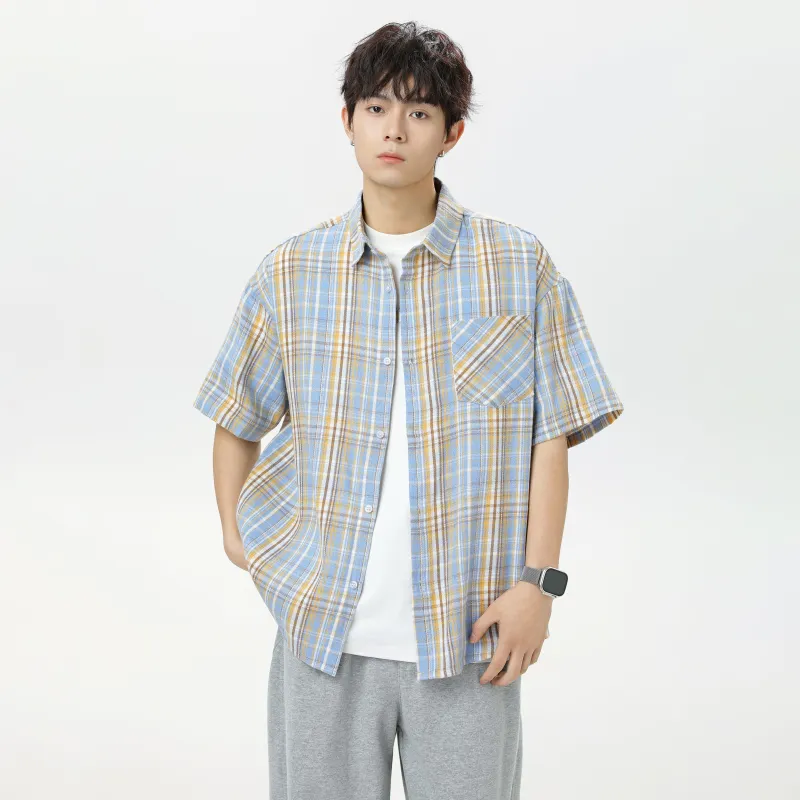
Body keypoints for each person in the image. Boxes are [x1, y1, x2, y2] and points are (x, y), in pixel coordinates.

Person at [192, 20, 624, 800]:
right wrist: (238, 536)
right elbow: (236, 414)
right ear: (348, 120)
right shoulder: (291, 273)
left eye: (419, 112)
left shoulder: (516, 266)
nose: (395, 129)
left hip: (469, 639)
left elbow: (550, 437)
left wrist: (539, 586)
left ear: (452, 132)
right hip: (323, 640)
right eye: (377, 107)